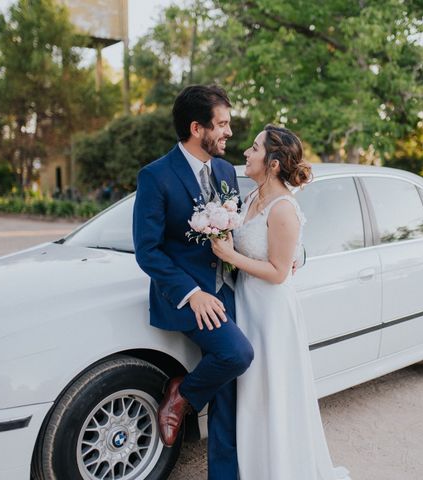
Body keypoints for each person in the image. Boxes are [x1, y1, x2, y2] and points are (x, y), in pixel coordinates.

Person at [211, 125, 351, 479]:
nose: (246, 152)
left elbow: (278, 272)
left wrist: (230, 254)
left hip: (271, 311)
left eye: (255, 148)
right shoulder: (251, 197)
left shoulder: (283, 207)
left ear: (273, 163)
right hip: (248, 304)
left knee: (274, 393)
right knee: (253, 394)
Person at [133, 85, 254, 480]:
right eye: (221, 124)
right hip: (188, 297)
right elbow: (148, 250)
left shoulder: (224, 171)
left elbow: (235, 233)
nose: (228, 133)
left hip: (229, 290)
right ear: (195, 127)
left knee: (228, 394)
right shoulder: (156, 176)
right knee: (236, 354)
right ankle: (180, 395)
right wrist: (191, 293)